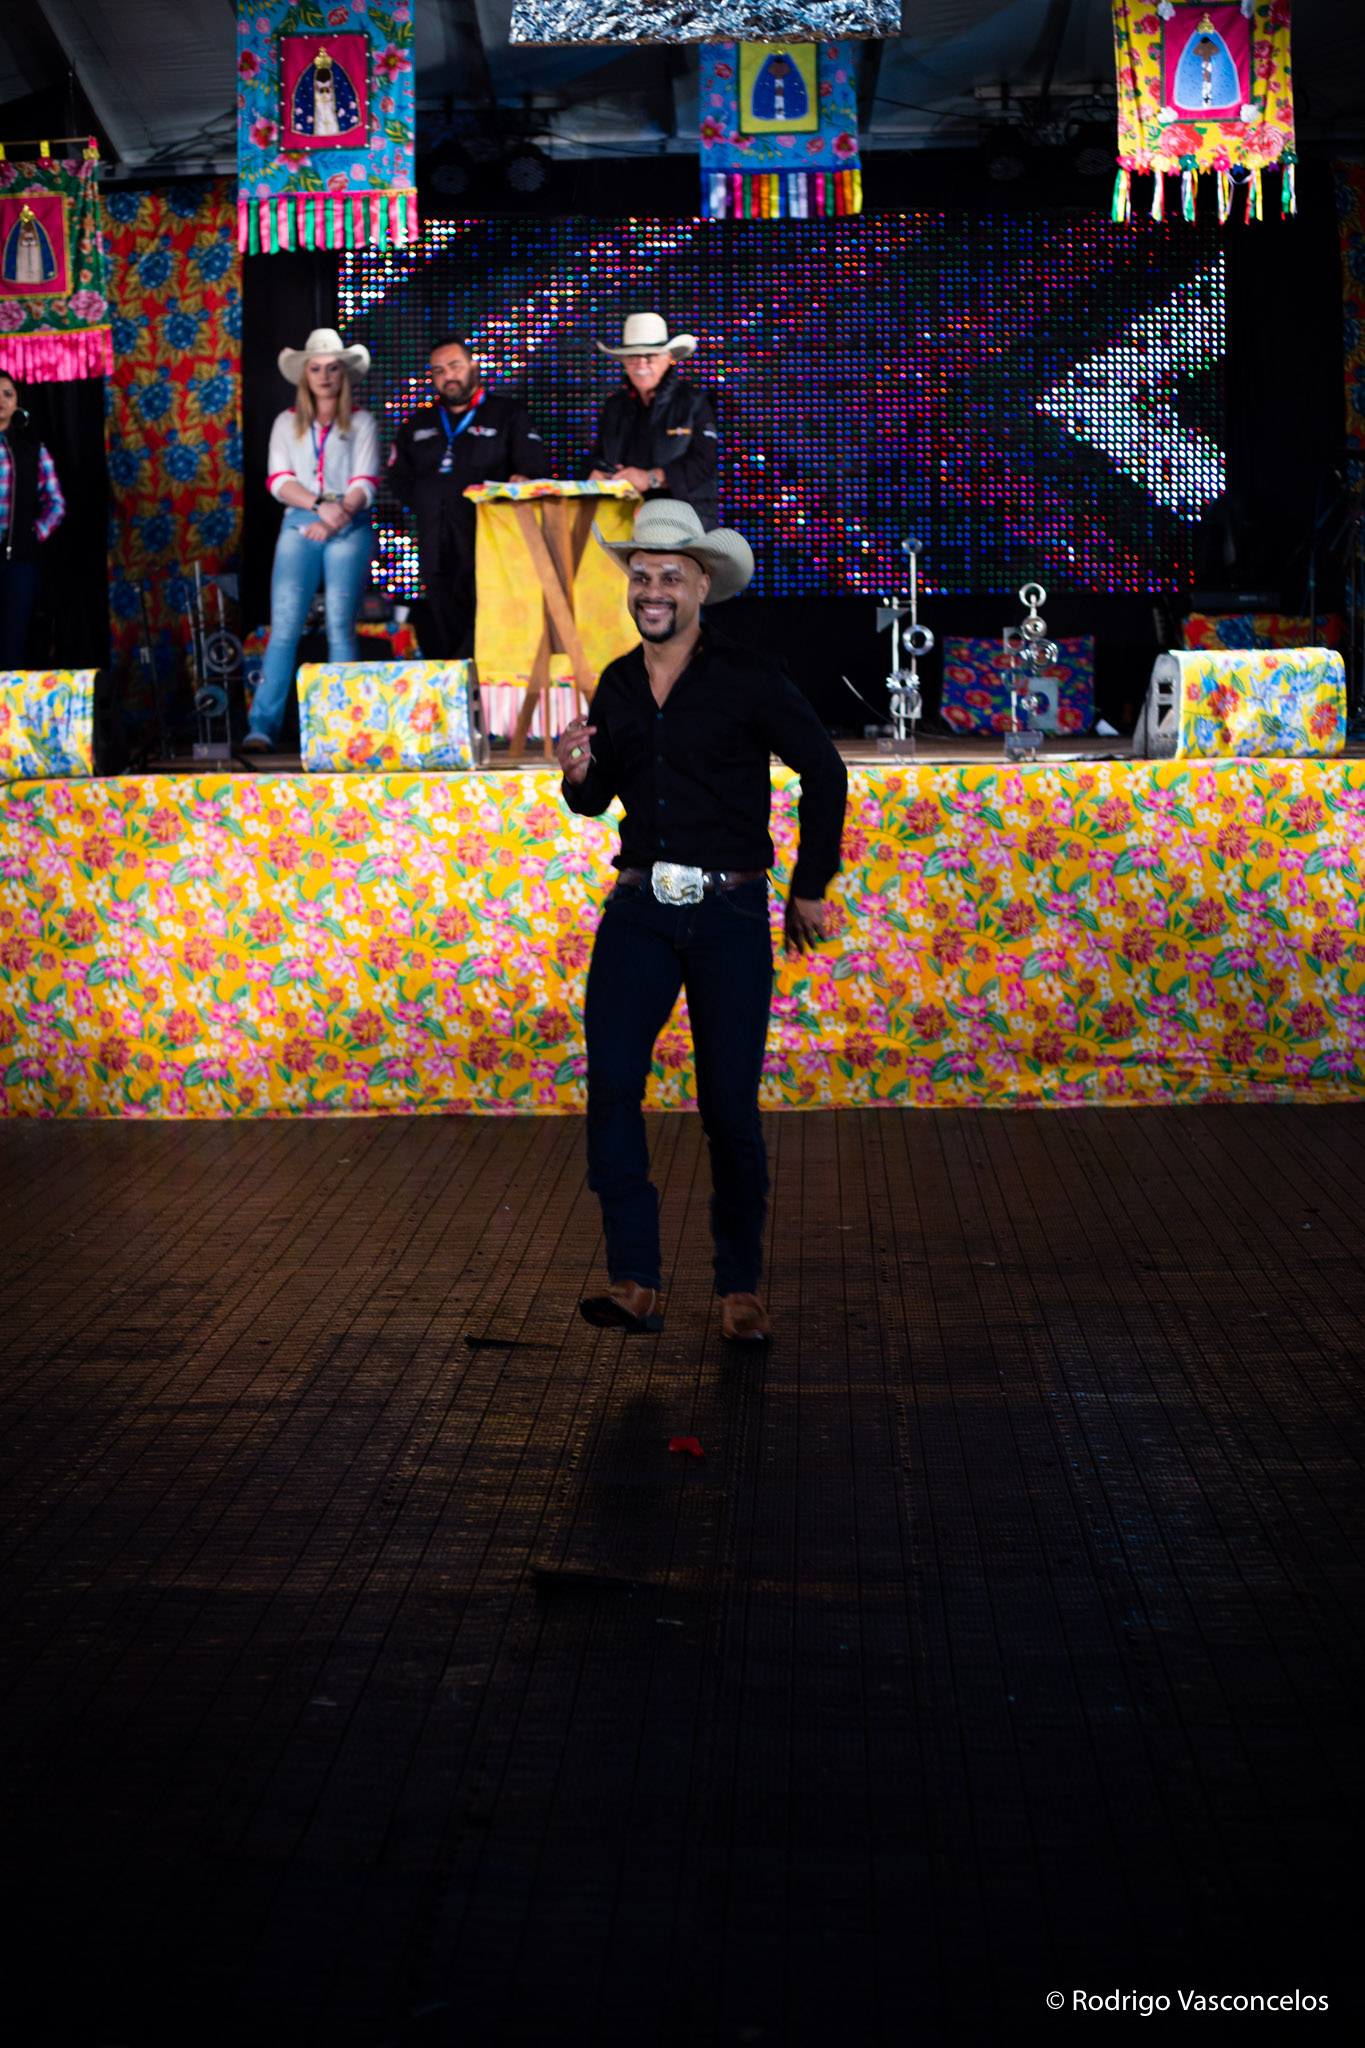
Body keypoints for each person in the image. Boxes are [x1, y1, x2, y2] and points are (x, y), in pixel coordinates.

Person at [557, 500, 847, 1343]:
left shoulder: (747, 676)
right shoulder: (617, 683)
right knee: (612, 1086)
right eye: (640, 575)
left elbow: (823, 771)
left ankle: (738, 1287)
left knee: (727, 1108)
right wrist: (575, 772)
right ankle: (634, 1281)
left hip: (728, 913)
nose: (651, 589)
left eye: (669, 577)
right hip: (639, 910)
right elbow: (595, 798)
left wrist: (809, 884)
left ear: (700, 585)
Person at [246, 327, 379, 753]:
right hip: (303, 519)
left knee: (341, 625)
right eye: (316, 368)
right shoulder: (286, 423)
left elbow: (365, 481)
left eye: (332, 368)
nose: (324, 376)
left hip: (348, 520)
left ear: (344, 374)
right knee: (284, 626)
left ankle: (345, 730)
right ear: (305, 374)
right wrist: (320, 508)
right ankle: (261, 728)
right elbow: (279, 480)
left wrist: (336, 517)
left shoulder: (362, 422)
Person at [389, 334, 546, 661]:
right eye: (439, 370)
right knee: (443, 618)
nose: (448, 375)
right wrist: (429, 499)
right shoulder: (418, 423)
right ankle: (456, 683)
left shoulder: (507, 414)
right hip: (435, 540)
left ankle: (489, 685)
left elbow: (533, 468)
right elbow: (398, 478)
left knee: (492, 614)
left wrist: (521, 481)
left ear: (474, 366)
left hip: (492, 540)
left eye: (455, 366)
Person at [587, 312, 718, 531]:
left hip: (684, 520)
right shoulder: (614, 407)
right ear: (624, 362)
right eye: (633, 356)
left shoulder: (694, 402)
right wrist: (600, 473)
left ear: (668, 358)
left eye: (650, 356)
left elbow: (705, 461)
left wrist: (651, 478)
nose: (641, 363)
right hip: (621, 520)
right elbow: (597, 456)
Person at [0, 371, 65, 669]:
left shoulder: (31, 449)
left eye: (8, 394)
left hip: (18, 563)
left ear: (17, 402)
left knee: (11, 644)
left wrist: (33, 534)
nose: (1, 400)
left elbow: (56, 503)